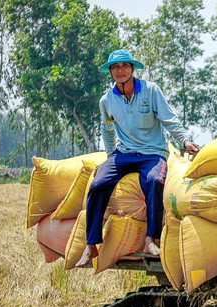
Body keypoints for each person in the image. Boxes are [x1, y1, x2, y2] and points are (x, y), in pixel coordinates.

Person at [76, 49, 200, 267]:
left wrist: (185, 141)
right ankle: (91, 245)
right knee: (98, 184)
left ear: (132, 69)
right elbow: (107, 129)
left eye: (125, 66)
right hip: (123, 153)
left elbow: (169, 120)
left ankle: (150, 239)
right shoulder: (107, 100)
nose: (120, 70)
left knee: (154, 181)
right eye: (115, 67)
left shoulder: (151, 91)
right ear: (111, 72)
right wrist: (109, 154)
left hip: (152, 153)